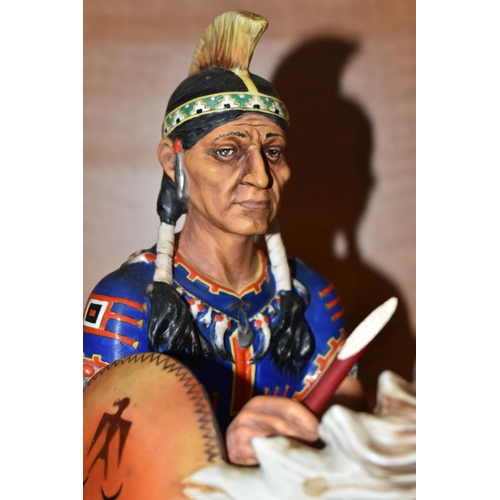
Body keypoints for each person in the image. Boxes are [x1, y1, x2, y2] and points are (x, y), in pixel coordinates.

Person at [83, 10, 363, 466]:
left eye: (273, 151)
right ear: (173, 162)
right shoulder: (126, 306)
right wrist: (221, 451)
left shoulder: (313, 298)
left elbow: (345, 426)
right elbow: (100, 463)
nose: (260, 176)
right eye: (227, 151)